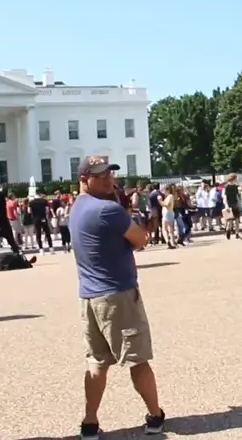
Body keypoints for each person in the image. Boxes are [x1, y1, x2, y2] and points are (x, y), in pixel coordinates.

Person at [69, 156, 165, 439]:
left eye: (109, 174)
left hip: (89, 295)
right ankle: (155, 415)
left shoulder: (78, 207)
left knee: (97, 361)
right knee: (137, 359)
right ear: (84, 179)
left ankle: (90, 422)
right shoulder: (108, 210)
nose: (109, 180)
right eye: (101, 176)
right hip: (117, 294)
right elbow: (140, 239)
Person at [222, 174, 242, 240]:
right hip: (231, 204)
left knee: (235, 220)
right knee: (232, 220)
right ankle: (230, 231)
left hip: (233, 204)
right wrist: (226, 205)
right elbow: (225, 197)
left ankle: (235, 232)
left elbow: (237, 196)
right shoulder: (227, 187)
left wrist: (239, 204)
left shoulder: (234, 187)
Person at [158, 184, 177, 249]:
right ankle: (172, 242)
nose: (163, 192)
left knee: (164, 228)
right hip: (170, 213)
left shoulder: (170, 196)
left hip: (167, 213)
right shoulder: (169, 196)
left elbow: (166, 204)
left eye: (164, 190)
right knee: (170, 229)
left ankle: (168, 241)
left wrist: (160, 201)